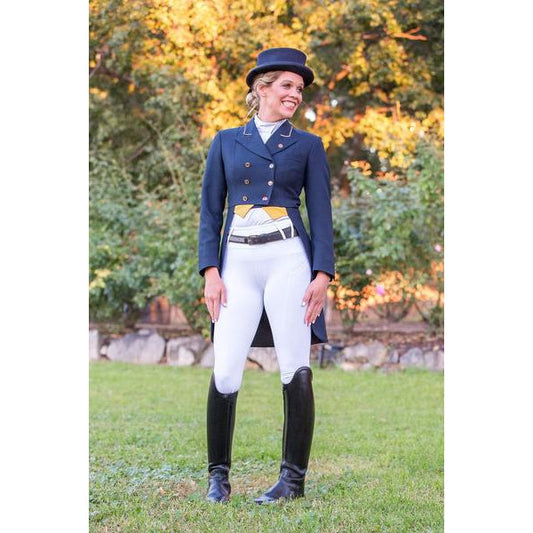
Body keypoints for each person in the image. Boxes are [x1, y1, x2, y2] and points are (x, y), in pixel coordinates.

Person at [198, 47, 335, 504]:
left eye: (299, 88)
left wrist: (322, 274)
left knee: (295, 365)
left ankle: (291, 481)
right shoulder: (225, 141)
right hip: (236, 263)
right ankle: (219, 477)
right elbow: (209, 212)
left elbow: (321, 214)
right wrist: (210, 271)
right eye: (286, 85)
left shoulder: (309, 145)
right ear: (261, 88)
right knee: (225, 367)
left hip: (288, 262)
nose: (295, 94)